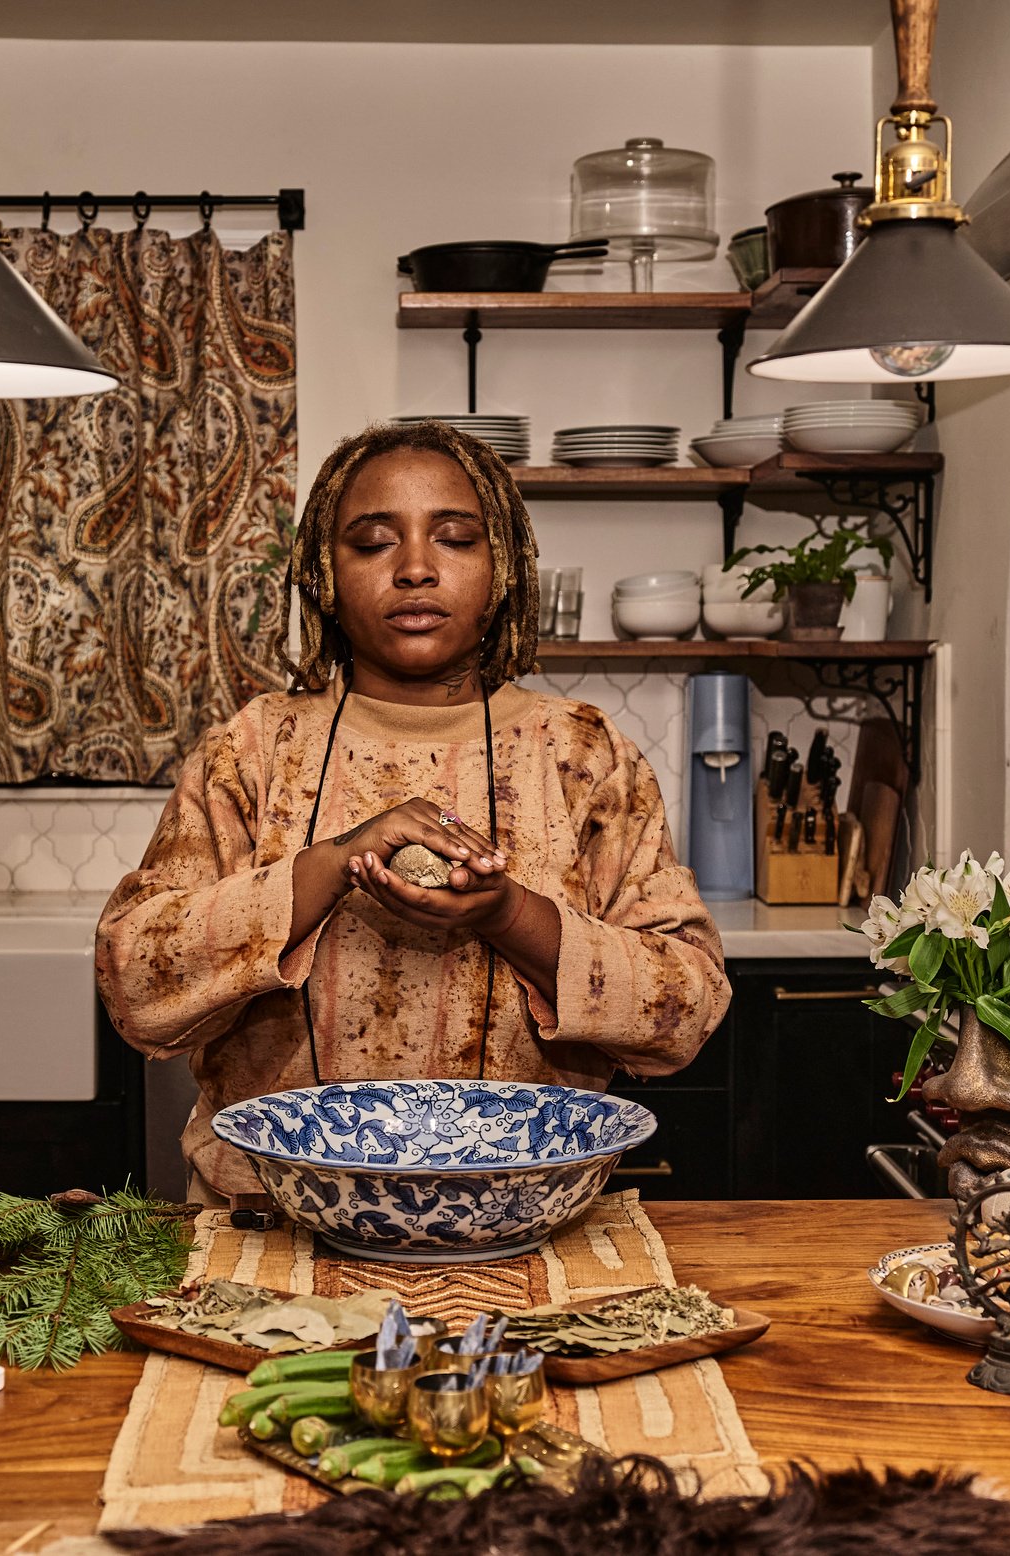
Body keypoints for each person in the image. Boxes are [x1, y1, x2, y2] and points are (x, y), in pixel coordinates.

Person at [96, 421, 730, 1201]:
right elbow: (134, 986)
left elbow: (687, 1009)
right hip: (265, 1222)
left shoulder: (581, 756)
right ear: (324, 572)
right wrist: (328, 867)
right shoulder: (253, 751)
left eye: (456, 539)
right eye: (371, 544)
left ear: (503, 566)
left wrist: (507, 914)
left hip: (521, 1227)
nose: (416, 570)